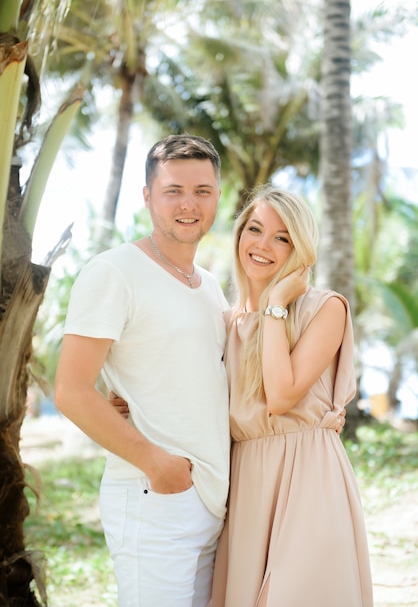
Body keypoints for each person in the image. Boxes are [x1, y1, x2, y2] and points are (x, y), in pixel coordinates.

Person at [54, 134, 231, 607]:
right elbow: (71, 390)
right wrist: (158, 465)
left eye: (202, 191)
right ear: (148, 197)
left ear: (217, 197)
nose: (189, 204)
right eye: (173, 190)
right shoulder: (115, 272)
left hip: (211, 501)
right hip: (157, 497)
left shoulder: (210, 286)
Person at [208, 184, 373, 607]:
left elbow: (281, 396)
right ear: (239, 234)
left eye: (282, 237)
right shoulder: (224, 324)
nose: (263, 245)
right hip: (246, 484)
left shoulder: (324, 308)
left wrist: (277, 302)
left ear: (300, 249)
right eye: (255, 229)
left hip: (309, 478)